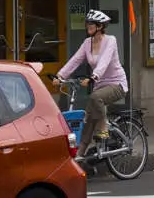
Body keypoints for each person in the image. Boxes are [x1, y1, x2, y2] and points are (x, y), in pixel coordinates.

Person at [54, 9, 127, 161]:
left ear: (100, 26)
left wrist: (93, 77)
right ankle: (79, 155)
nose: (87, 26)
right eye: (87, 24)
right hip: (99, 86)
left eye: (91, 24)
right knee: (86, 120)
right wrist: (60, 76)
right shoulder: (87, 43)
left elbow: (104, 62)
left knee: (95, 97)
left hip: (117, 84)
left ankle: (103, 129)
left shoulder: (110, 40)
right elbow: (75, 60)